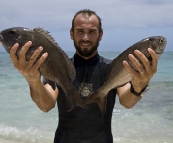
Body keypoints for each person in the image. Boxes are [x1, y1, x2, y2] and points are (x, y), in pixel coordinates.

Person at [10, 9, 158, 143]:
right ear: (71, 33)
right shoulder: (59, 66)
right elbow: (45, 105)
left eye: (92, 31)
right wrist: (32, 79)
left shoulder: (111, 68)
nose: (85, 37)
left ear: (100, 35)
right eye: (80, 31)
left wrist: (140, 84)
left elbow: (127, 102)